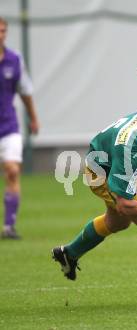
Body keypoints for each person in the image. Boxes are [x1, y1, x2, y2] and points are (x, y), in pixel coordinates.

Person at [51, 82, 137, 307]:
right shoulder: (128, 159)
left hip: (107, 155)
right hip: (100, 172)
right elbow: (126, 204)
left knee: (118, 222)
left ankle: (69, 253)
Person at [0, 17, 39, 239]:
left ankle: (9, 226)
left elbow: (25, 90)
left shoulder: (15, 59)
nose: (1, 34)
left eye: (4, 30)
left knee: (13, 171)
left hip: (8, 126)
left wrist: (33, 118)